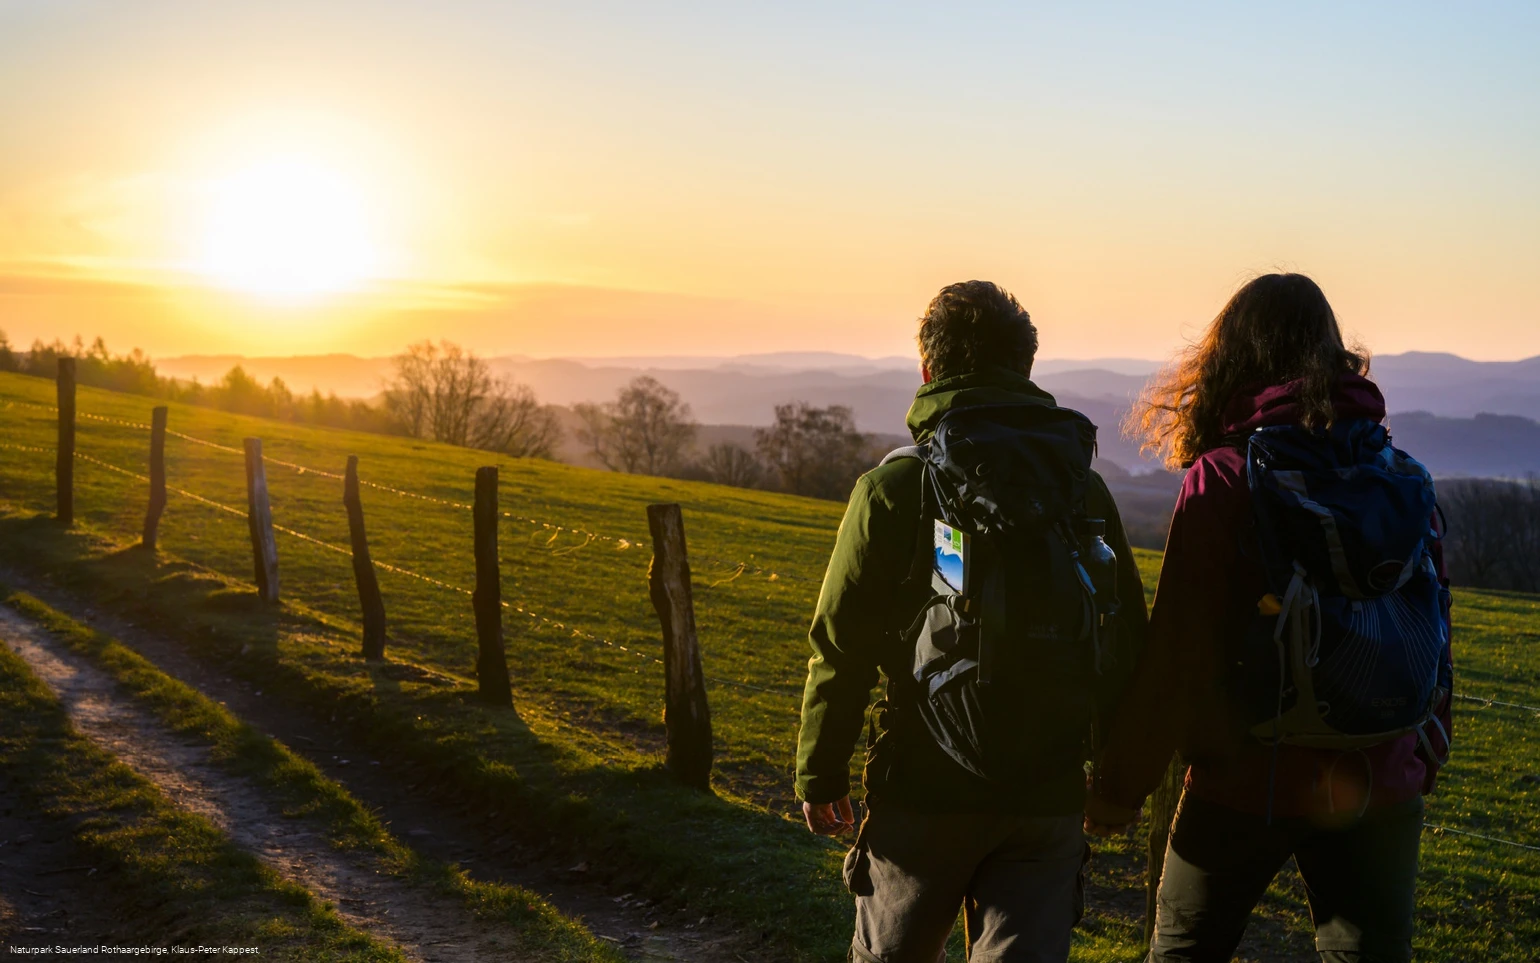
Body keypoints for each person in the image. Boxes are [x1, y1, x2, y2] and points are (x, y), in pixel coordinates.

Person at [1085, 273, 1453, 963]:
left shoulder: (1225, 476)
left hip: (1245, 776)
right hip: (1380, 774)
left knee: (1184, 951)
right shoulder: (1402, 474)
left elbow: (1179, 654)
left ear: (1231, 357)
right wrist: (1428, 744)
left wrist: (1118, 788)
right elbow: (1436, 621)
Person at [795, 280, 1149, 963]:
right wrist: (1115, 782)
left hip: (925, 793)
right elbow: (1122, 642)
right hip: (1048, 797)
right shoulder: (1083, 490)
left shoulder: (896, 488)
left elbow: (842, 643)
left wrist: (820, 770)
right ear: (1026, 368)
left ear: (930, 370)